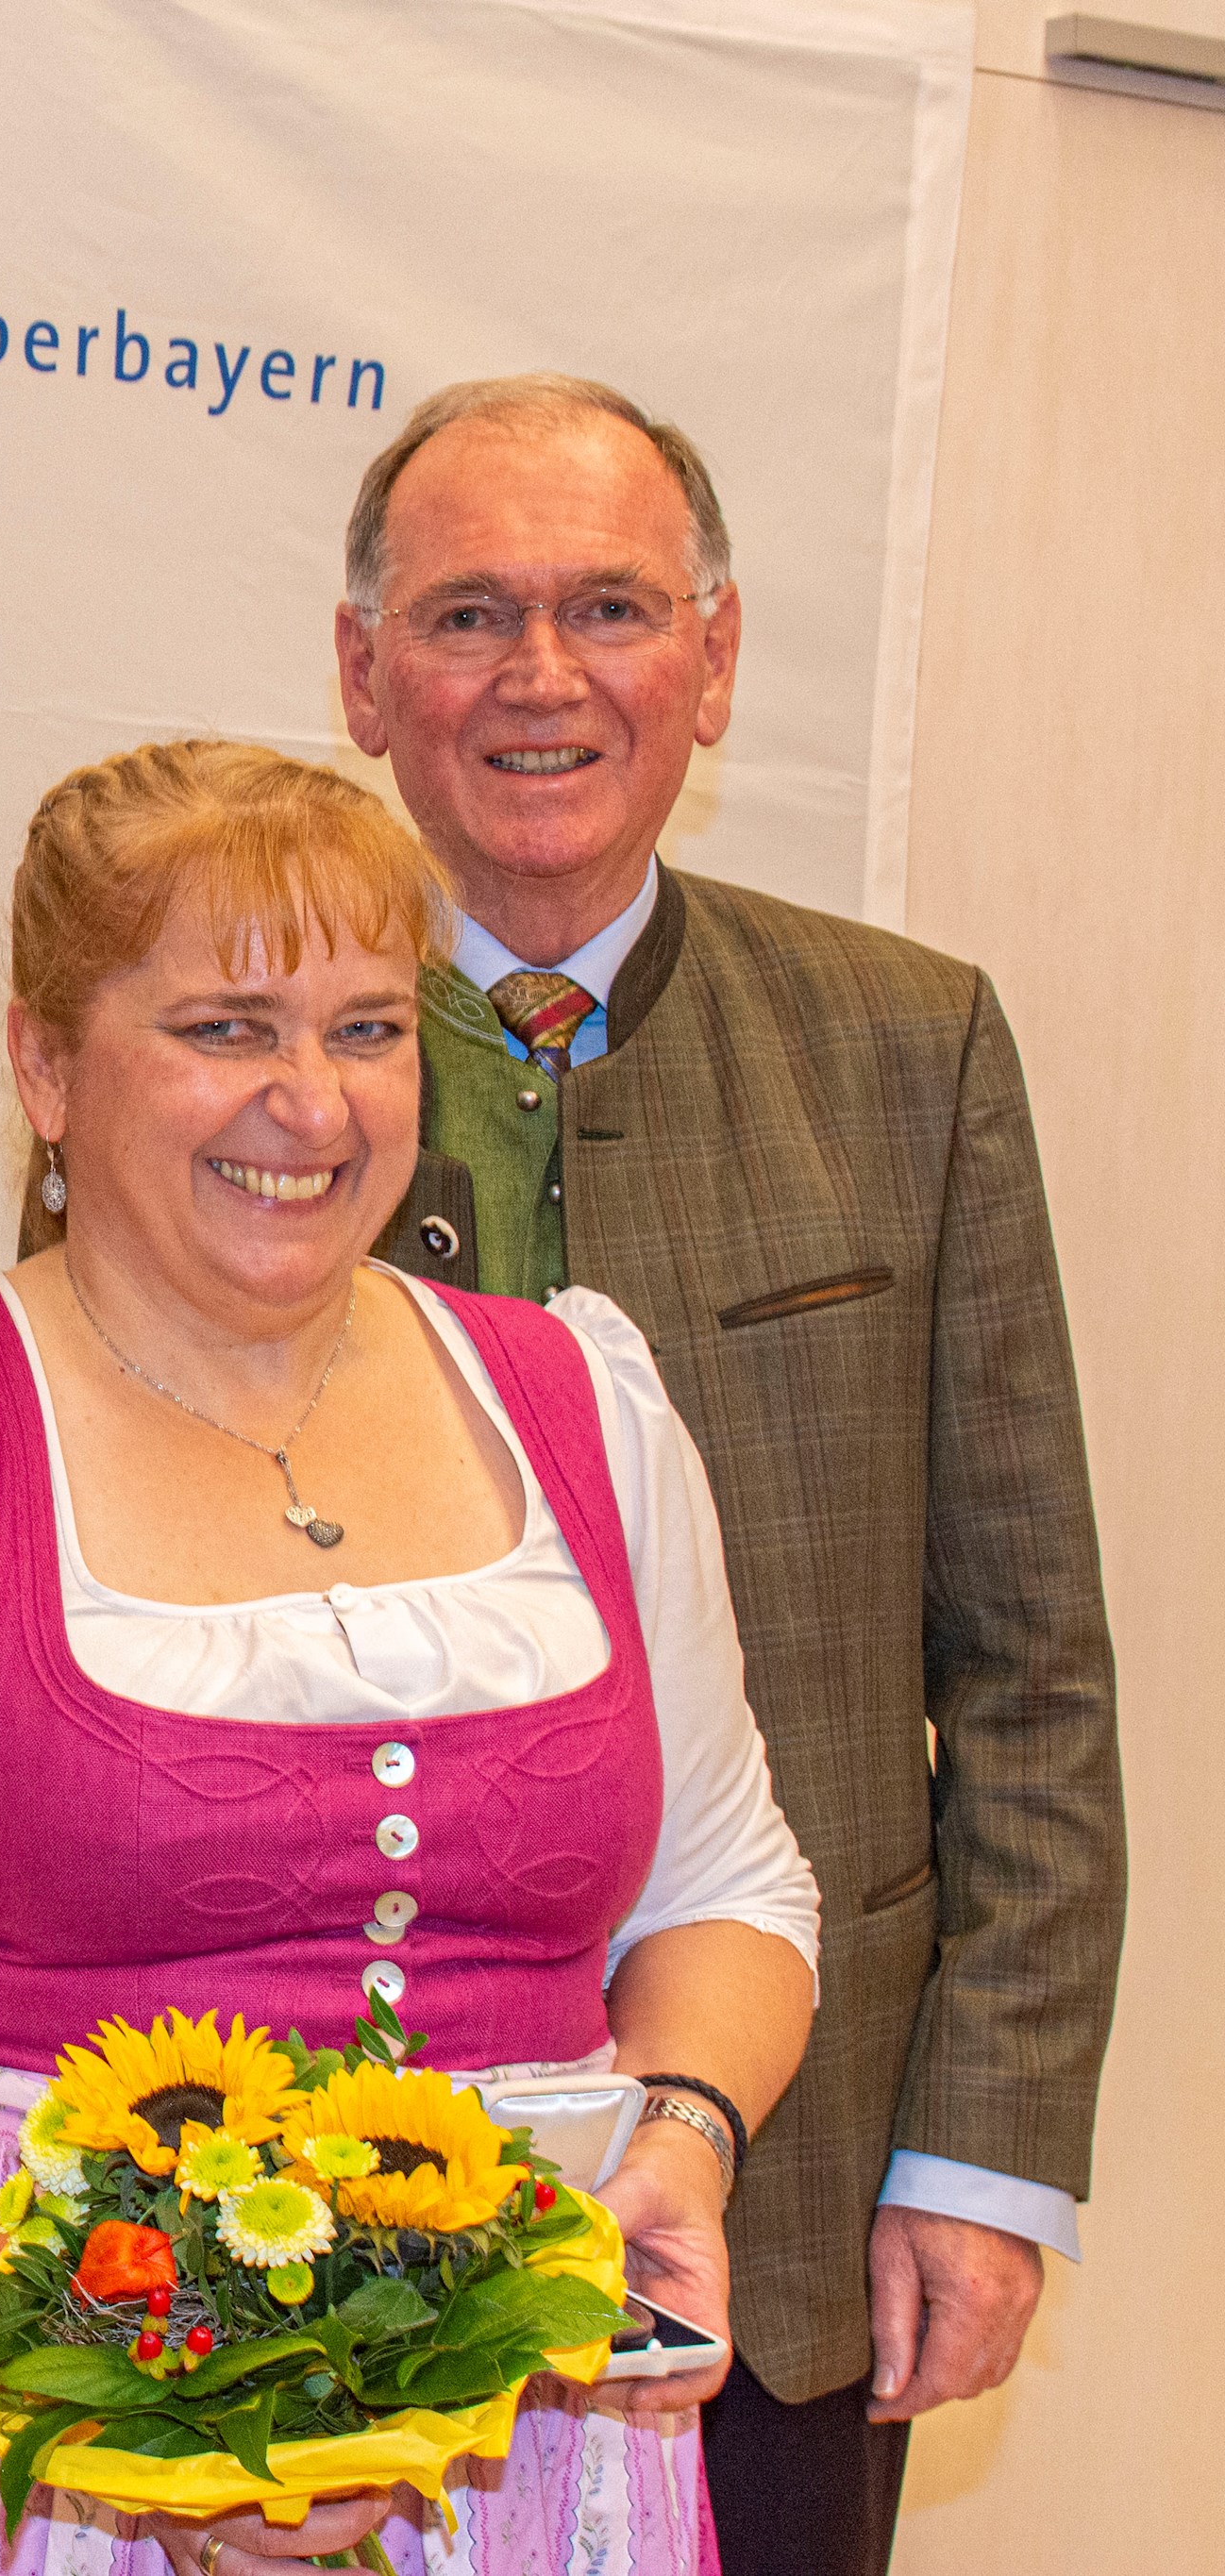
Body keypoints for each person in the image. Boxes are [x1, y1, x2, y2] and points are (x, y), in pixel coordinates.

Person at [0, 740, 824, 2572]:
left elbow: (724, 1884)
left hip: (509, 2452)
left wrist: (674, 2135)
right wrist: (159, 2405)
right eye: (220, 1027)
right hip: (38, 2431)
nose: (307, 1103)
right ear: (42, 1065)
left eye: (363, 1029)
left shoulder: (575, 1399)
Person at [334, 376, 1124, 2576]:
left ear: (713, 653)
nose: (539, 676)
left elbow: (1032, 1663)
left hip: (791, 2229)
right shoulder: (236, 1049)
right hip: (340, 2203)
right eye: (466, 613)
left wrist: (977, 2159)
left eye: (606, 608)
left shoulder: (904, 1044)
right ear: (359, 674)